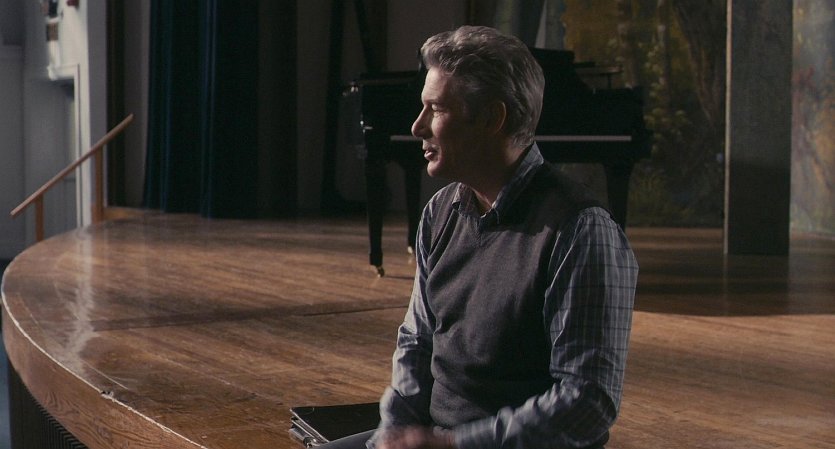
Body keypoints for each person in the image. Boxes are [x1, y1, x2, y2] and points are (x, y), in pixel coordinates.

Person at [325, 25, 638, 449]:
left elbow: (588, 403)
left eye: (436, 109)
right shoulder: (440, 212)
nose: (417, 127)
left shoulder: (581, 231)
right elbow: (417, 342)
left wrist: (458, 445)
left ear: (493, 119)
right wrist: (394, 431)